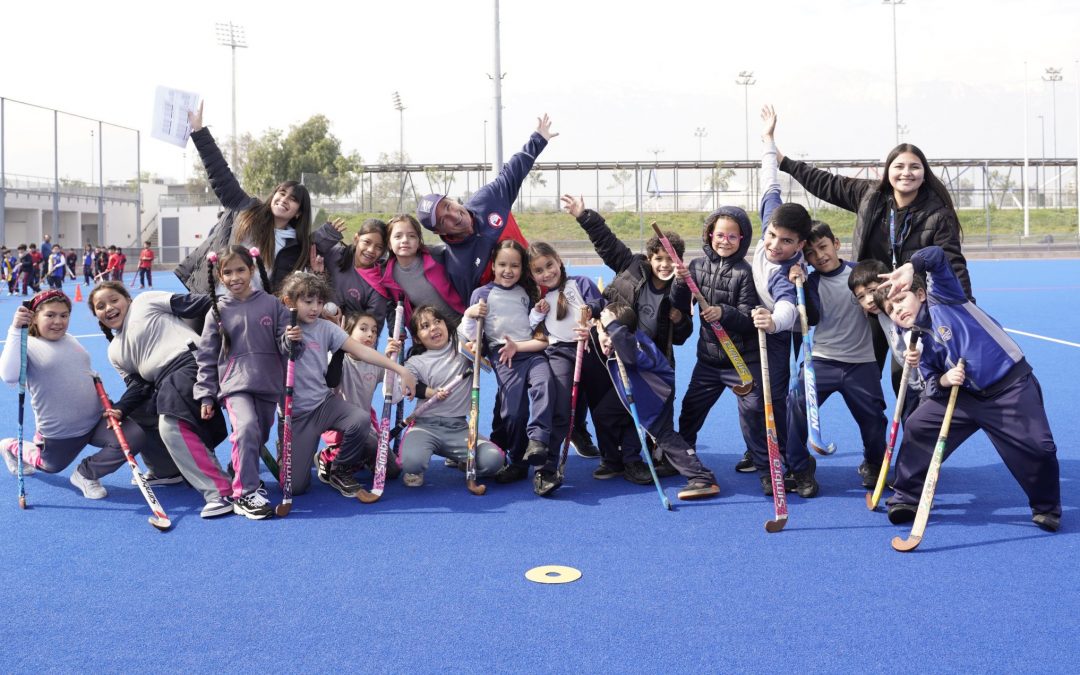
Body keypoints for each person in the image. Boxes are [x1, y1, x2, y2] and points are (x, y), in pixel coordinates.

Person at [875, 245, 1061, 532]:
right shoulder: (913, 340)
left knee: (1039, 449)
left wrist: (912, 266)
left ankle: (1046, 507)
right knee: (919, 425)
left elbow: (936, 256)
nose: (898, 310)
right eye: (891, 309)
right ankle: (907, 497)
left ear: (921, 294)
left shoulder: (944, 299)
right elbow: (932, 386)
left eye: (901, 299)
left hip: (1009, 388)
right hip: (961, 397)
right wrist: (945, 380)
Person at [88, 282, 234, 519]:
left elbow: (199, 303)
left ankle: (220, 491)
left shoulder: (145, 302)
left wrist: (234, 313)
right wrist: (120, 409)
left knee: (172, 424)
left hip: (192, 364)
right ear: (97, 315)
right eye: (101, 306)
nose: (109, 308)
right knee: (136, 414)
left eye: (114, 300)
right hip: (163, 383)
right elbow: (138, 387)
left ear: (128, 299)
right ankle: (166, 470)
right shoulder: (114, 350)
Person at [0, 290, 158, 501]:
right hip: (62, 431)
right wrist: (14, 330)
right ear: (34, 317)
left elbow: (81, 373)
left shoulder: (71, 339)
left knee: (134, 437)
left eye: (64, 315)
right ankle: (11, 446)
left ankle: (85, 474)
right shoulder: (26, 345)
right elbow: (9, 377)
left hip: (96, 419)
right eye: (50, 315)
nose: (58, 321)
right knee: (50, 466)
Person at [277, 272, 416, 498]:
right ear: (289, 302)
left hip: (323, 404)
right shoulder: (281, 326)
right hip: (297, 414)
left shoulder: (326, 328)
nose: (314, 308)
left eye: (319, 302)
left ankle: (340, 469)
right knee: (296, 487)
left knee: (359, 419)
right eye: (307, 302)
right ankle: (286, 449)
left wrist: (400, 369)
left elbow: (361, 351)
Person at [787, 222, 888, 490]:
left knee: (875, 419)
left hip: (861, 363)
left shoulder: (860, 274)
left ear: (836, 243)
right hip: (821, 359)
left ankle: (874, 463)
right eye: (810, 253)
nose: (819, 256)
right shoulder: (808, 282)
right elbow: (812, 317)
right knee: (796, 403)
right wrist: (796, 279)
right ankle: (799, 467)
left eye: (823, 247)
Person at [194, 246, 292, 520]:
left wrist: (292, 340)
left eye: (240, 269)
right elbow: (206, 355)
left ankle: (240, 470)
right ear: (219, 276)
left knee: (258, 435)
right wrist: (206, 395)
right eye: (227, 272)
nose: (234, 277)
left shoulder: (272, 304)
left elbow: (287, 345)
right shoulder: (217, 311)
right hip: (234, 385)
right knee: (246, 427)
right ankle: (245, 493)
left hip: (268, 382)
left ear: (251, 269)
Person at [417, 114, 556, 305]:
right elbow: (474, 308)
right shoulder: (458, 266)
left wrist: (538, 139)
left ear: (453, 199)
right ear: (439, 232)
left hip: (550, 294)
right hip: (515, 321)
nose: (453, 215)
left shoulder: (487, 199)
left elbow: (513, 171)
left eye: (448, 206)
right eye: (443, 220)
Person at [176, 101, 312, 296]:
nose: (284, 199)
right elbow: (220, 173)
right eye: (281, 193)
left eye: (292, 199)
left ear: (299, 212)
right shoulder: (245, 208)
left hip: (253, 313)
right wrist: (198, 131)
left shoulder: (296, 247)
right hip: (210, 297)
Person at [672, 206, 765, 478]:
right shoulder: (696, 267)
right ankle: (684, 456)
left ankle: (764, 467)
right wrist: (679, 283)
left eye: (732, 237)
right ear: (710, 235)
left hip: (741, 361)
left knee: (754, 414)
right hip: (709, 361)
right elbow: (679, 308)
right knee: (690, 410)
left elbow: (748, 318)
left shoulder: (745, 272)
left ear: (742, 239)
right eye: (720, 235)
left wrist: (723, 312)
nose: (725, 241)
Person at [594, 303, 721, 501]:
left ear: (624, 332)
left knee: (664, 437)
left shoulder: (635, 343)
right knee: (604, 413)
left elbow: (630, 357)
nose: (610, 341)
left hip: (656, 396)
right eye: (605, 333)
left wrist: (612, 328)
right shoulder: (615, 337)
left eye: (614, 334)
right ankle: (620, 460)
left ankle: (702, 476)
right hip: (635, 395)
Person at [461, 240, 557, 496]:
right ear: (493, 265)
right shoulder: (482, 294)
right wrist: (470, 314)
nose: (508, 270)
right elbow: (469, 336)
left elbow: (529, 323)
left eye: (514, 265)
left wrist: (537, 312)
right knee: (513, 412)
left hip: (529, 351)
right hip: (505, 357)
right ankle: (516, 460)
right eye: (502, 264)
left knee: (544, 383)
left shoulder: (526, 292)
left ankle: (537, 441)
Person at [753, 123, 819, 498]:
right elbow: (769, 183)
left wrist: (773, 320)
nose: (775, 245)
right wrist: (768, 141)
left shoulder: (786, 273)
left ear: (801, 244)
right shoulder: (771, 220)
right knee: (775, 397)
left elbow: (787, 312)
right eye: (772, 236)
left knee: (796, 396)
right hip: (775, 329)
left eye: (787, 242)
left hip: (795, 325)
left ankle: (800, 466)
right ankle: (771, 457)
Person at [392, 305, 505, 488]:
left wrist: (470, 314)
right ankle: (417, 466)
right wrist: (431, 392)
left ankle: (463, 461)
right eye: (425, 326)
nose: (434, 328)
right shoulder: (415, 362)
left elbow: (467, 323)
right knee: (411, 463)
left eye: (438, 322)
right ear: (416, 338)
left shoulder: (460, 343)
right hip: (425, 426)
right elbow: (405, 385)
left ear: (446, 324)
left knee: (494, 461)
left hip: (458, 428)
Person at [526, 242, 610, 476]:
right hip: (560, 353)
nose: (547, 273)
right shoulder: (541, 301)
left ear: (559, 261)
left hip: (591, 348)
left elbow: (600, 304)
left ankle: (615, 457)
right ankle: (547, 467)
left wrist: (589, 314)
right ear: (532, 275)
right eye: (539, 270)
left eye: (549, 265)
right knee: (561, 407)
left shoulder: (580, 283)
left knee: (604, 405)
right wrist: (537, 313)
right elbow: (532, 328)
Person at [314, 312, 388, 484]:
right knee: (369, 444)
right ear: (347, 334)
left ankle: (359, 458)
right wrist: (339, 346)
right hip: (338, 423)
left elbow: (397, 394)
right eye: (363, 329)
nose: (370, 334)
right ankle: (327, 456)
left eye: (374, 331)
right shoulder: (337, 358)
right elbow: (331, 381)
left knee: (392, 471)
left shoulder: (375, 362)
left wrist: (391, 359)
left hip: (366, 423)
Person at [848, 259, 925, 423]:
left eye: (872, 291)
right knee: (910, 423)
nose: (869, 300)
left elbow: (913, 333)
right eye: (861, 297)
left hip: (927, 380)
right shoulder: (880, 312)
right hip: (912, 382)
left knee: (921, 426)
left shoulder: (898, 310)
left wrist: (917, 350)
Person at [380, 214, 465, 331]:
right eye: (398, 236)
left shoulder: (438, 255)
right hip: (432, 333)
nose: (405, 240)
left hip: (463, 322)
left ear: (419, 241)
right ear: (389, 243)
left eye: (411, 236)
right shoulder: (387, 274)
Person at [313, 218, 389, 331]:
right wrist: (325, 235)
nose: (371, 250)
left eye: (379, 247)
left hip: (346, 342)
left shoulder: (378, 286)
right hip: (313, 330)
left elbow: (372, 330)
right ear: (356, 238)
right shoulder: (335, 255)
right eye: (367, 242)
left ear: (383, 251)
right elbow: (306, 251)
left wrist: (343, 324)